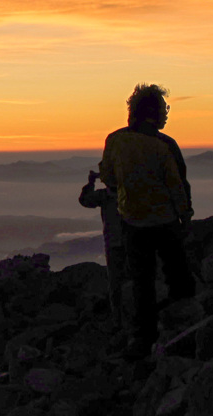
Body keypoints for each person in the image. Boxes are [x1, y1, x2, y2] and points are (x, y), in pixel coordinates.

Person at [99, 83, 194, 359]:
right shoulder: (165, 145)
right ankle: (183, 327)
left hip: (132, 222)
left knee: (142, 281)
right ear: (153, 112)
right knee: (178, 275)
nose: (166, 115)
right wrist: (185, 216)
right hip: (165, 222)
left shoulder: (115, 140)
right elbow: (179, 186)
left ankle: (142, 340)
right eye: (164, 109)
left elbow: (108, 176)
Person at [79, 169, 125, 324]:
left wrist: (91, 182)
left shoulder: (104, 196)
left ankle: (119, 317)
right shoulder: (128, 193)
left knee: (116, 283)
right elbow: (85, 200)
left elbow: (85, 200)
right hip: (129, 242)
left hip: (115, 243)